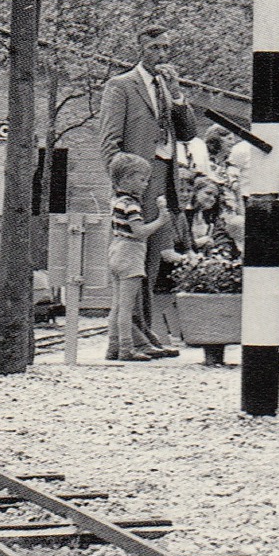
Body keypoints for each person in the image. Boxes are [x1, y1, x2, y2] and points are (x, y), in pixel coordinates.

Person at [98, 26, 195, 358]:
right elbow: (109, 142)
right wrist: (123, 188)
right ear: (140, 48)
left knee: (152, 262)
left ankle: (145, 330)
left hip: (165, 178)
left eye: (166, 49)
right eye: (155, 48)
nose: (162, 55)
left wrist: (178, 94)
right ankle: (133, 335)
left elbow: (188, 133)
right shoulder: (121, 86)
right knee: (134, 259)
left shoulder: (167, 89)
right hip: (138, 182)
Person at [106, 152, 172, 362]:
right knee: (126, 306)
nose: (145, 184)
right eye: (141, 179)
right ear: (126, 179)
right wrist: (161, 220)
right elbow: (139, 232)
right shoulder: (132, 205)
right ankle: (127, 348)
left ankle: (112, 347)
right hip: (131, 252)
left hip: (116, 250)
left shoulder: (116, 200)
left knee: (116, 305)